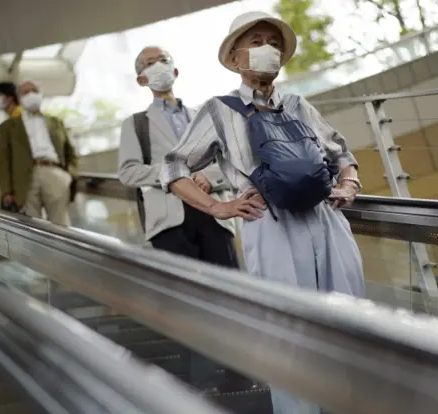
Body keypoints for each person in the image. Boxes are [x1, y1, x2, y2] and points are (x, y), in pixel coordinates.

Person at [159, 11, 365, 414]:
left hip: (326, 220)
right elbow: (174, 167)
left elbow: (342, 152)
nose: (266, 48)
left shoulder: (297, 104)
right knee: (289, 338)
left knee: (350, 329)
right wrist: (218, 206)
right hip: (268, 223)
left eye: (272, 41)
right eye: (255, 41)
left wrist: (349, 184)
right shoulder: (219, 110)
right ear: (235, 58)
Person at [118, 46, 238, 393]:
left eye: (162, 60)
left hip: (214, 214)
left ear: (175, 70)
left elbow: (229, 160)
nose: (157, 67)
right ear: (141, 79)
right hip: (169, 221)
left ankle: (239, 373)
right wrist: (173, 177)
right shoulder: (135, 124)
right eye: (148, 64)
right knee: (183, 301)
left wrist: (209, 177)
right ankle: (195, 383)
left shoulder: (205, 114)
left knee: (232, 296)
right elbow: (127, 172)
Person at [0, 81, 78, 225]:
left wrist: (70, 174)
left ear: (41, 94)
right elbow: (3, 161)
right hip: (24, 177)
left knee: (61, 225)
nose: (31, 94)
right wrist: (6, 191)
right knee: (32, 225)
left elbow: (70, 152)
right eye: (26, 92)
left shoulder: (55, 122)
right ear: (19, 98)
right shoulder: (7, 127)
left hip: (54, 172)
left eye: (34, 91)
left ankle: (59, 248)